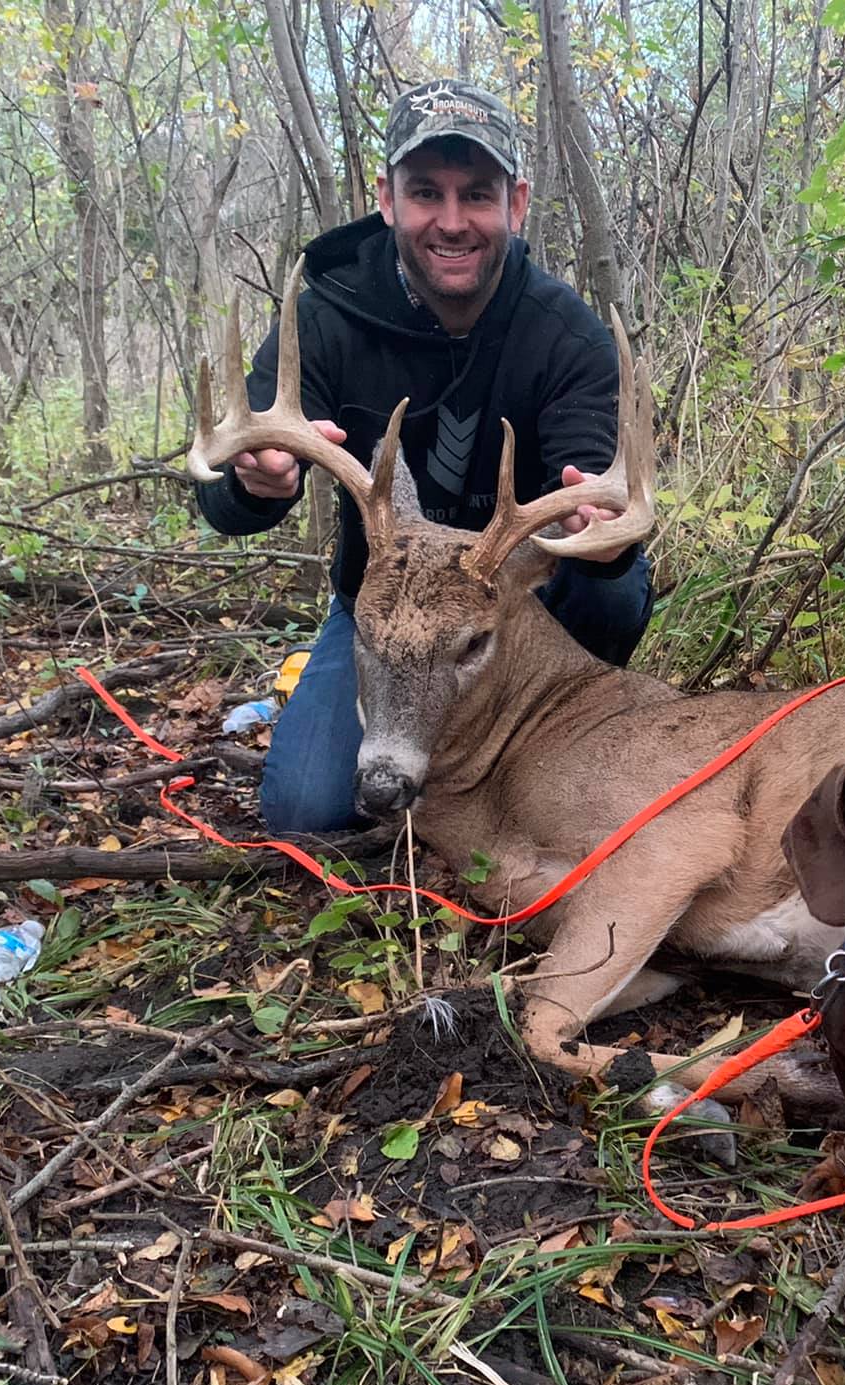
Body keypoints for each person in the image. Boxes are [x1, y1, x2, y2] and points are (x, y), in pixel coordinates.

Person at [197, 79, 652, 834]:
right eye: (424, 193)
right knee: (305, 811)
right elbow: (222, 501)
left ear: (516, 203)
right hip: (383, 617)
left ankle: (555, 736)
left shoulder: (565, 334)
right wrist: (256, 483)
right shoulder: (327, 316)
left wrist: (595, 527)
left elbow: (593, 493)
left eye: (476, 195)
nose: (451, 221)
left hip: (511, 610)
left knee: (611, 589)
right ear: (386, 198)